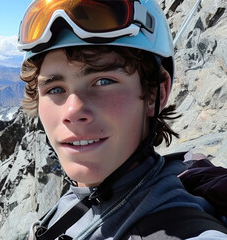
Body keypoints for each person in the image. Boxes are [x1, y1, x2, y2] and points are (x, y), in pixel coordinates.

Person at [17, 0, 227, 239]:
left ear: (155, 93)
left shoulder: (180, 228)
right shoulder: (90, 195)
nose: (72, 112)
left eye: (103, 81)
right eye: (55, 89)